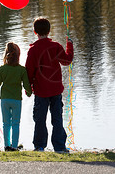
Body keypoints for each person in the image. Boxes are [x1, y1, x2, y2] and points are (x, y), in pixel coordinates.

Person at [25, 17, 73, 153]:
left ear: (35, 32)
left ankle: (39, 146)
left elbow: (29, 71)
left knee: (40, 119)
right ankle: (60, 147)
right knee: (57, 118)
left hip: (41, 91)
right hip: (56, 90)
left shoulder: (33, 50)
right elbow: (66, 60)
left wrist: (28, 88)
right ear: (49, 30)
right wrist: (69, 46)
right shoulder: (56, 46)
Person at [0, 42, 32, 152]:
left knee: (6, 123)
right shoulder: (22, 70)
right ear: (18, 56)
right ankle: (14, 146)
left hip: (5, 100)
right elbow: (27, 86)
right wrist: (30, 92)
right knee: (16, 123)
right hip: (16, 100)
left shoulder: (2, 69)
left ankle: (7, 146)